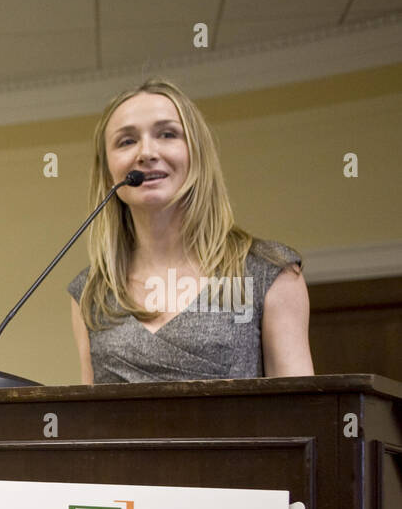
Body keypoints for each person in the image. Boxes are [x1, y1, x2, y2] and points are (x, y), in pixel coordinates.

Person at [68, 79, 315, 383]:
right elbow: (87, 418)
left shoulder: (270, 272)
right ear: (108, 173)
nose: (146, 152)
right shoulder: (90, 292)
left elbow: (302, 416)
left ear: (197, 156)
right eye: (126, 141)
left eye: (167, 134)